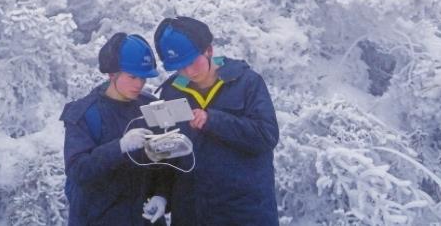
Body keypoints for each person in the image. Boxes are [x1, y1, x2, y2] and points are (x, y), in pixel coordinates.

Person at [150, 16, 280, 226]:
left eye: (192, 62)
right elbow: (168, 155)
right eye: (180, 67)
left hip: (244, 213)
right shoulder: (171, 92)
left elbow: (267, 135)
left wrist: (214, 121)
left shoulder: (247, 83)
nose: (188, 72)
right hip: (191, 214)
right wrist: (161, 194)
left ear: (208, 50)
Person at [60, 32, 166, 225]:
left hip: (144, 219)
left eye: (143, 78)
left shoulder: (151, 106)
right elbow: (78, 170)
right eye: (132, 76)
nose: (139, 84)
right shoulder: (85, 113)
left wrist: (162, 195)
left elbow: (165, 161)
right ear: (112, 74)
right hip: (99, 218)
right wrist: (119, 147)